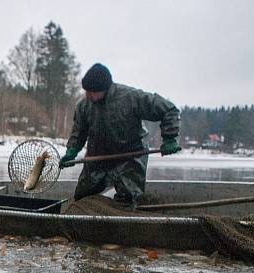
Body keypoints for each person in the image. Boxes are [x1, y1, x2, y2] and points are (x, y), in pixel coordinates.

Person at [59, 63, 181, 208]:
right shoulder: (84, 106)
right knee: (82, 197)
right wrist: (72, 150)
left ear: (104, 89)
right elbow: (78, 131)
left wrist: (169, 138)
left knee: (126, 200)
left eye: (92, 92)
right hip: (98, 156)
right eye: (86, 91)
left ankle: (123, 221)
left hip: (130, 156)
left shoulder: (130, 98)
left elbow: (169, 110)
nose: (88, 95)